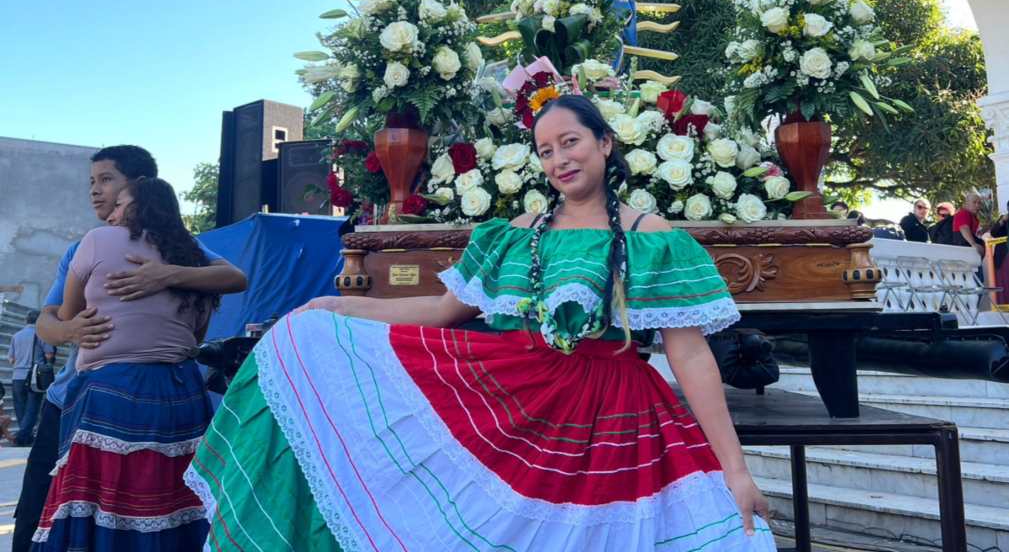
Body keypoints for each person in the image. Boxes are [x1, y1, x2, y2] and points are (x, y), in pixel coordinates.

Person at [185, 94, 775, 551]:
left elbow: (690, 354)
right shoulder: (518, 233)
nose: (559, 160)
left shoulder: (654, 239)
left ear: (604, 142)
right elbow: (444, 311)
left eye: (570, 142)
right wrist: (339, 307)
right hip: (519, 401)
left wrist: (736, 469)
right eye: (545, 151)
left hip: (619, 411)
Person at [13, 145, 246, 552]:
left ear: (140, 189)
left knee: (98, 517)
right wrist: (71, 331)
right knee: (48, 511)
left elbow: (234, 276)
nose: (95, 191)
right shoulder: (85, 247)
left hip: (104, 396)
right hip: (74, 396)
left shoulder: (179, 247)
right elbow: (47, 324)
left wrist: (165, 274)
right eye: (91, 182)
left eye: (107, 181)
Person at [7, 312, 54, 446]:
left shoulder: (16, 336)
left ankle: (25, 437)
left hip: (17, 376)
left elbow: (11, 359)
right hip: (34, 376)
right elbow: (49, 354)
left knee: (20, 407)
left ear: (25, 320)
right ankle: (22, 437)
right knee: (32, 408)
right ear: (38, 320)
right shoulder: (41, 334)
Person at [952, 191, 985, 258]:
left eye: (979, 203)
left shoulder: (972, 216)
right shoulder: (964, 213)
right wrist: (974, 244)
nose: (977, 205)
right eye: (974, 202)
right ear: (966, 204)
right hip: (964, 254)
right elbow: (964, 228)